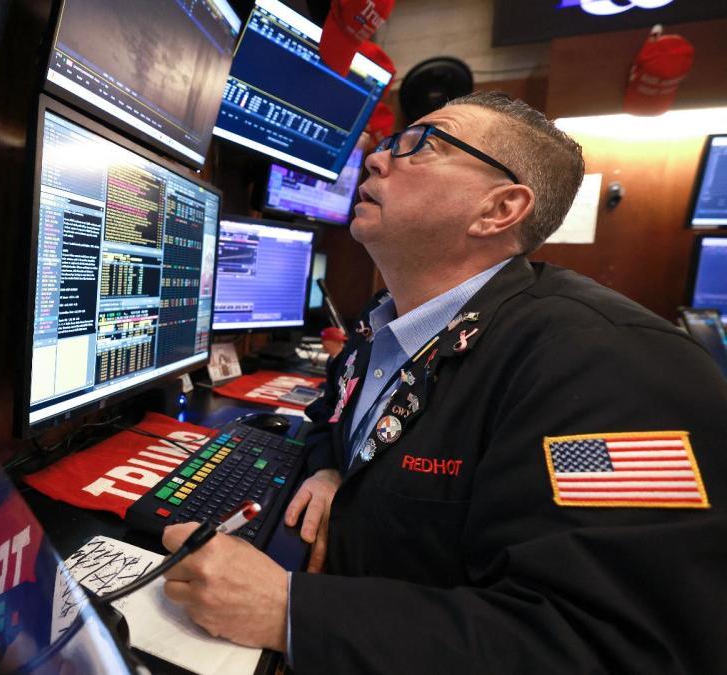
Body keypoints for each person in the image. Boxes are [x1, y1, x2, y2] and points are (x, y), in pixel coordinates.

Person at [159, 92, 727, 672]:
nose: (376, 159)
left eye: (422, 146)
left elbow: (612, 648)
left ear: (498, 209)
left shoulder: (614, 367)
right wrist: (333, 470)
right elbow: (332, 412)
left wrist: (289, 611)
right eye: (389, 143)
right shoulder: (387, 320)